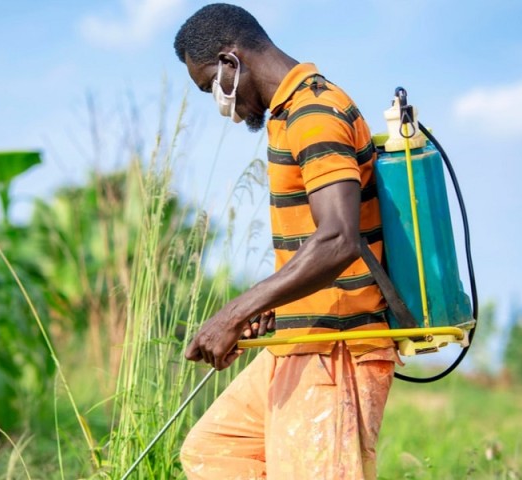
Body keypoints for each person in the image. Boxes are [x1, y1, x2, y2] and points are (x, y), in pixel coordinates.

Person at [173, 4, 401, 479]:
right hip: (302, 340)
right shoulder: (290, 113)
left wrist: (234, 311)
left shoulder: (315, 113)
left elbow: (338, 238)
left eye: (210, 87)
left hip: (335, 351)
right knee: (215, 449)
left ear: (231, 63)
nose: (222, 106)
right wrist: (269, 305)